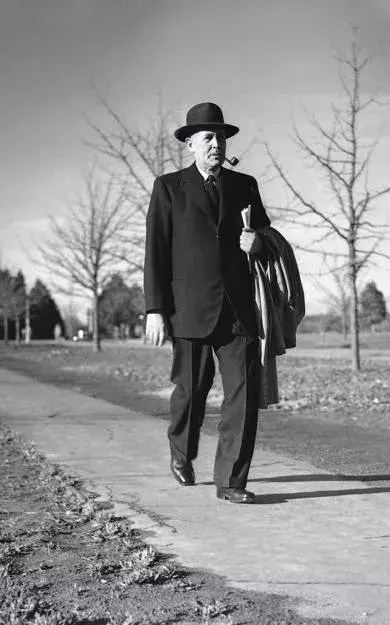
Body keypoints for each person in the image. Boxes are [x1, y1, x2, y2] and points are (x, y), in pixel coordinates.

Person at [144, 102, 271, 504]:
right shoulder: (168, 187)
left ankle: (231, 481)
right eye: (208, 138)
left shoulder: (245, 185)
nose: (216, 144)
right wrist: (155, 309)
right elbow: (156, 253)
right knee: (190, 391)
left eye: (221, 137)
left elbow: (268, 239)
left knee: (244, 394)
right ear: (191, 145)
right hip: (190, 309)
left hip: (237, 310)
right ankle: (181, 451)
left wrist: (259, 242)